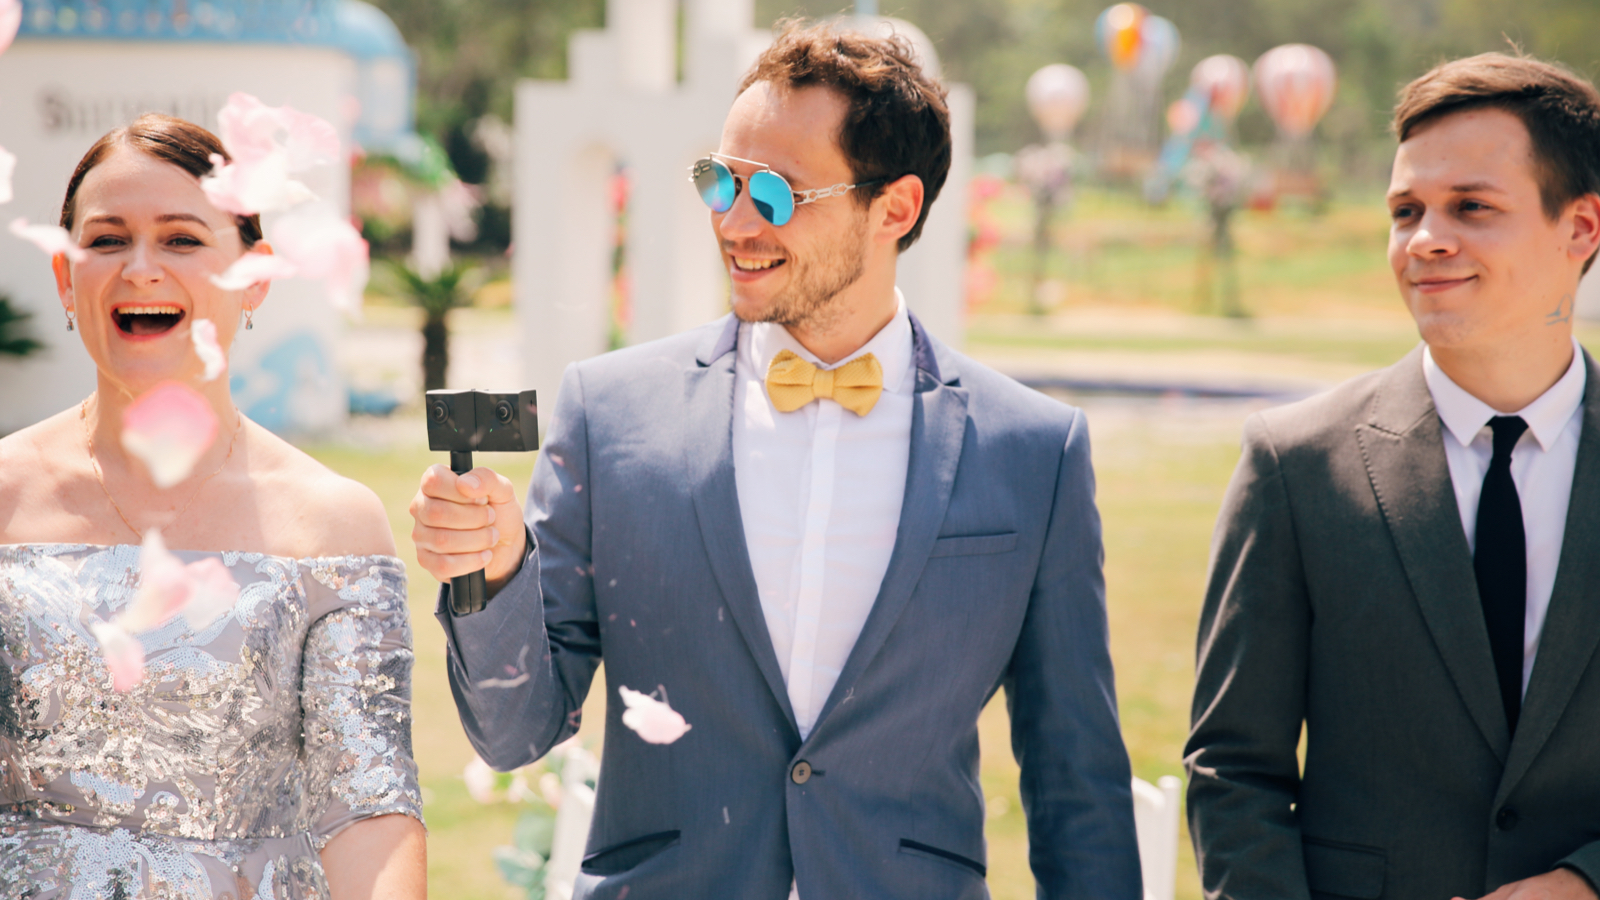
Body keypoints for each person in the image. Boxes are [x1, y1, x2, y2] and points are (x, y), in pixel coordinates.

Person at [411, 20, 1140, 900]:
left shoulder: (1033, 451)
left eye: (776, 193)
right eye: (719, 180)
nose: (734, 220)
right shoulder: (610, 414)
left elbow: (1076, 782)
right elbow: (514, 732)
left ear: (895, 209)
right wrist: (494, 574)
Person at [1186, 53, 1600, 900]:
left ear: (1582, 228)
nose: (1425, 240)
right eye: (1406, 210)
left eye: (1471, 207)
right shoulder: (1295, 463)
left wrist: (1586, 882)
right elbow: (1233, 771)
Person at [0, 114, 425, 898]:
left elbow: (367, 805)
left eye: (182, 239)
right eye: (107, 240)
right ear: (65, 275)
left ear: (253, 276)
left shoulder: (330, 522)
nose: (141, 269)